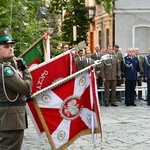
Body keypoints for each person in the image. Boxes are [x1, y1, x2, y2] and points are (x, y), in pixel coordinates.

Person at [0, 28, 32, 149]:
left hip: (8, 121)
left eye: (11, 45)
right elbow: (26, 88)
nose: (11, 48)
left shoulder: (7, 66)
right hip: (10, 121)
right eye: (6, 46)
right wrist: (25, 70)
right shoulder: (4, 69)